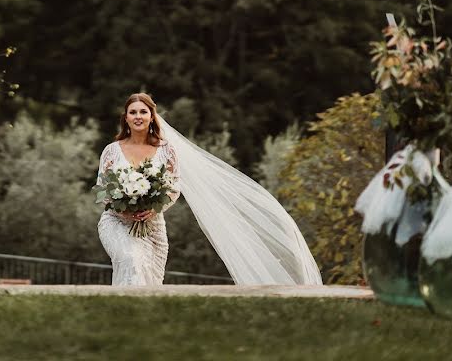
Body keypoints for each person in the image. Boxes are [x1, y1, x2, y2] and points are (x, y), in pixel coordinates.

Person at [97, 92, 323, 287]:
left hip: (152, 226)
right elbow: (102, 190)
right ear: (125, 118)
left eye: (143, 112)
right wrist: (124, 211)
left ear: (151, 116)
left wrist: (154, 210)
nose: (138, 116)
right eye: (133, 112)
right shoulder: (111, 151)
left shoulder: (166, 150)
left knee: (150, 276)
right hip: (116, 222)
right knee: (131, 259)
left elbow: (173, 188)